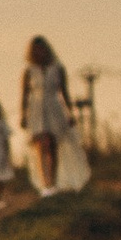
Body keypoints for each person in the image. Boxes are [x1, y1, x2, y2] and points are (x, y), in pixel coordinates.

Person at [18, 34, 90, 196]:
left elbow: (64, 92)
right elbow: (24, 95)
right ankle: (45, 183)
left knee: (52, 145)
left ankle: (53, 181)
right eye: (36, 50)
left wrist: (70, 113)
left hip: (54, 108)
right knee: (40, 145)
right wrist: (23, 115)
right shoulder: (28, 71)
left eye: (42, 48)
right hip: (36, 110)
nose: (39, 52)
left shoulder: (58, 68)